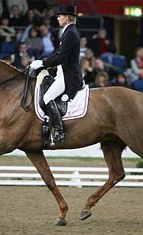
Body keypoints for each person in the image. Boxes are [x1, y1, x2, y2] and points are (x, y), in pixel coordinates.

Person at [30, 5, 83, 144]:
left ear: (67, 17)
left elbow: (61, 57)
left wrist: (42, 63)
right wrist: (44, 62)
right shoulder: (67, 31)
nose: (58, 18)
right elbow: (58, 54)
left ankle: (59, 131)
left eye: (60, 16)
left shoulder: (70, 33)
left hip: (68, 75)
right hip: (62, 71)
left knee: (48, 97)